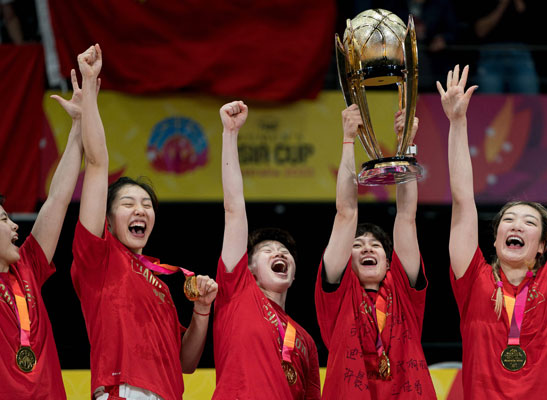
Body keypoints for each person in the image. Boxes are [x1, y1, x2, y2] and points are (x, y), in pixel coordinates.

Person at [441, 65, 547, 397]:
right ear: (496, 238)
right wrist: (457, 123)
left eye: (529, 222)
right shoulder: (472, 281)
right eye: (508, 220)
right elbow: (462, 200)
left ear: (542, 246)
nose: (516, 225)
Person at [72, 44, 218, 400]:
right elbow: (96, 164)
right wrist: (90, 87)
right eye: (128, 203)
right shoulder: (98, 257)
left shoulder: (162, 287)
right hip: (122, 391)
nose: (140, 210)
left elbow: (185, 362)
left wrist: (201, 310)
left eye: (146, 205)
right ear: (106, 219)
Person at [315, 105, 436, 399]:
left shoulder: (404, 292)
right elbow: (345, 213)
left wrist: (405, 142)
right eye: (357, 245)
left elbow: (407, 214)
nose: (367, 247)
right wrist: (347, 139)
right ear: (347, 259)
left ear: (387, 260)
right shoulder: (337, 295)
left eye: (375, 245)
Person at [212, 100, 321, 400]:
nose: (281, 254)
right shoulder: (236, 292)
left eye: (286, 252)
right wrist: (229, 134)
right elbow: (234, 208)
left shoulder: (306, 342)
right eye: (269, 250)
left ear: (295, 275)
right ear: (248, 268)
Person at [0, 67, 86, 399]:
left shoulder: (28, 267)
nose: (15, 225)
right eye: (5, 219)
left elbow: (59, 199)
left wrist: (78, 127)